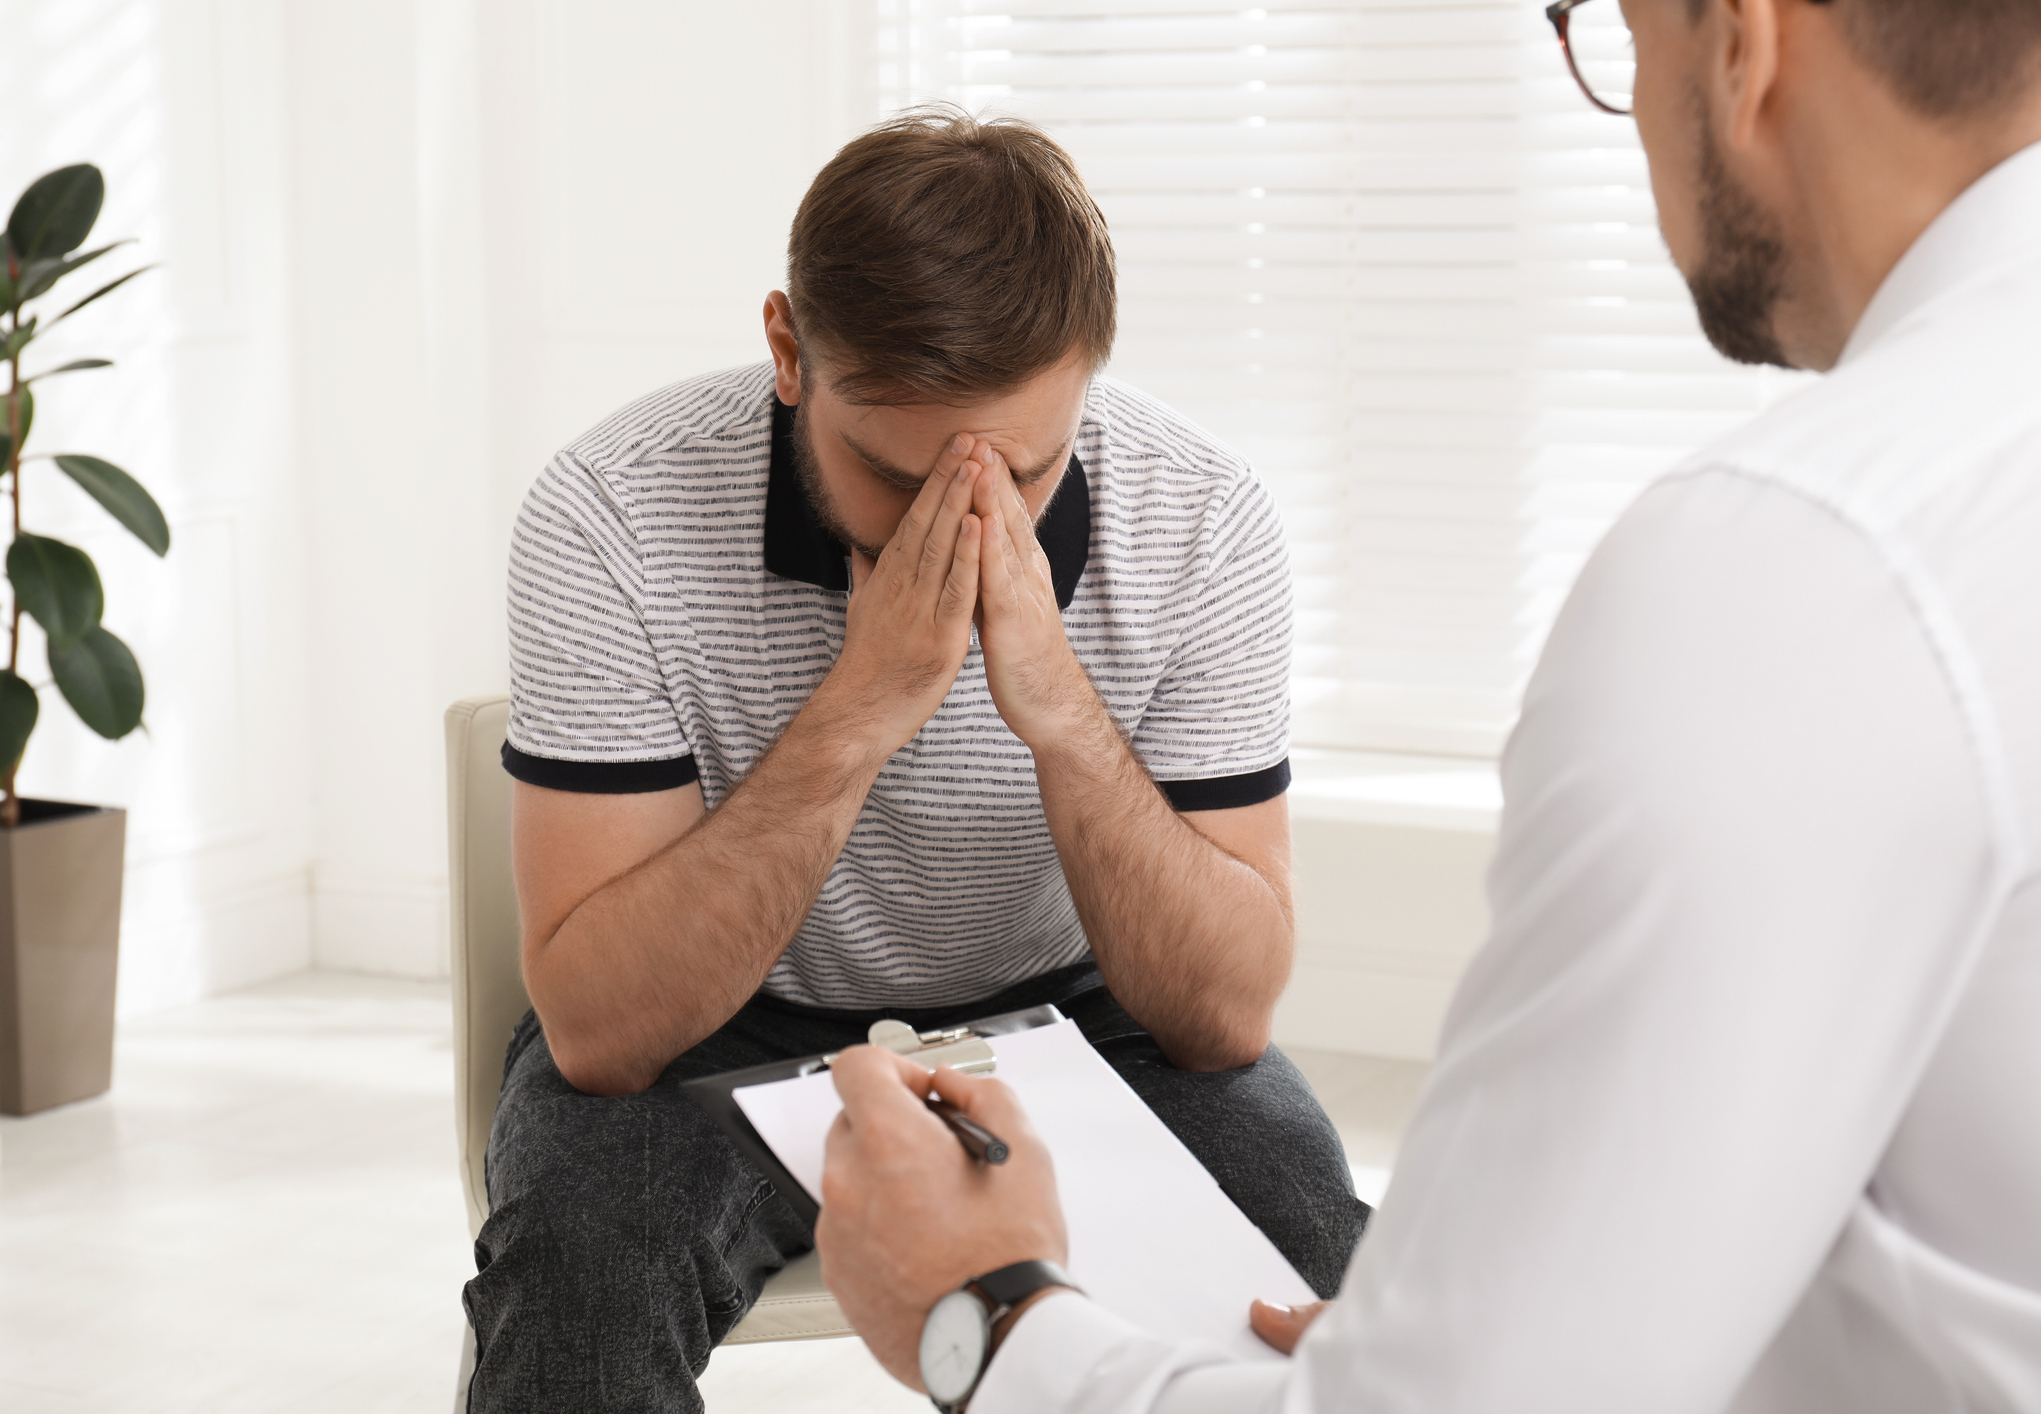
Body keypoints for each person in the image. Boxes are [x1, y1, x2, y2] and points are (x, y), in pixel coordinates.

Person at [814, 0, 2041, 1409]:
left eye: (1619, 36)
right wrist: (1447, 1323)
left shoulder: (1800, 561)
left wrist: (986, 1314)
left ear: (1742, 46)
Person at [460, 109, 1374, 1413]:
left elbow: (1221, 1019)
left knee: (1332, 1288)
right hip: (720, 1027)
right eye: (895, 476)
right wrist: (860, 709)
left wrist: (1060, 713)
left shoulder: (1204, 518)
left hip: (1086, 1013)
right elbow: (603, 1033)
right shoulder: (611, 510)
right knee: (578, 1277)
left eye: (1028, 470)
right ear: (789, 352)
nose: (966, 519)